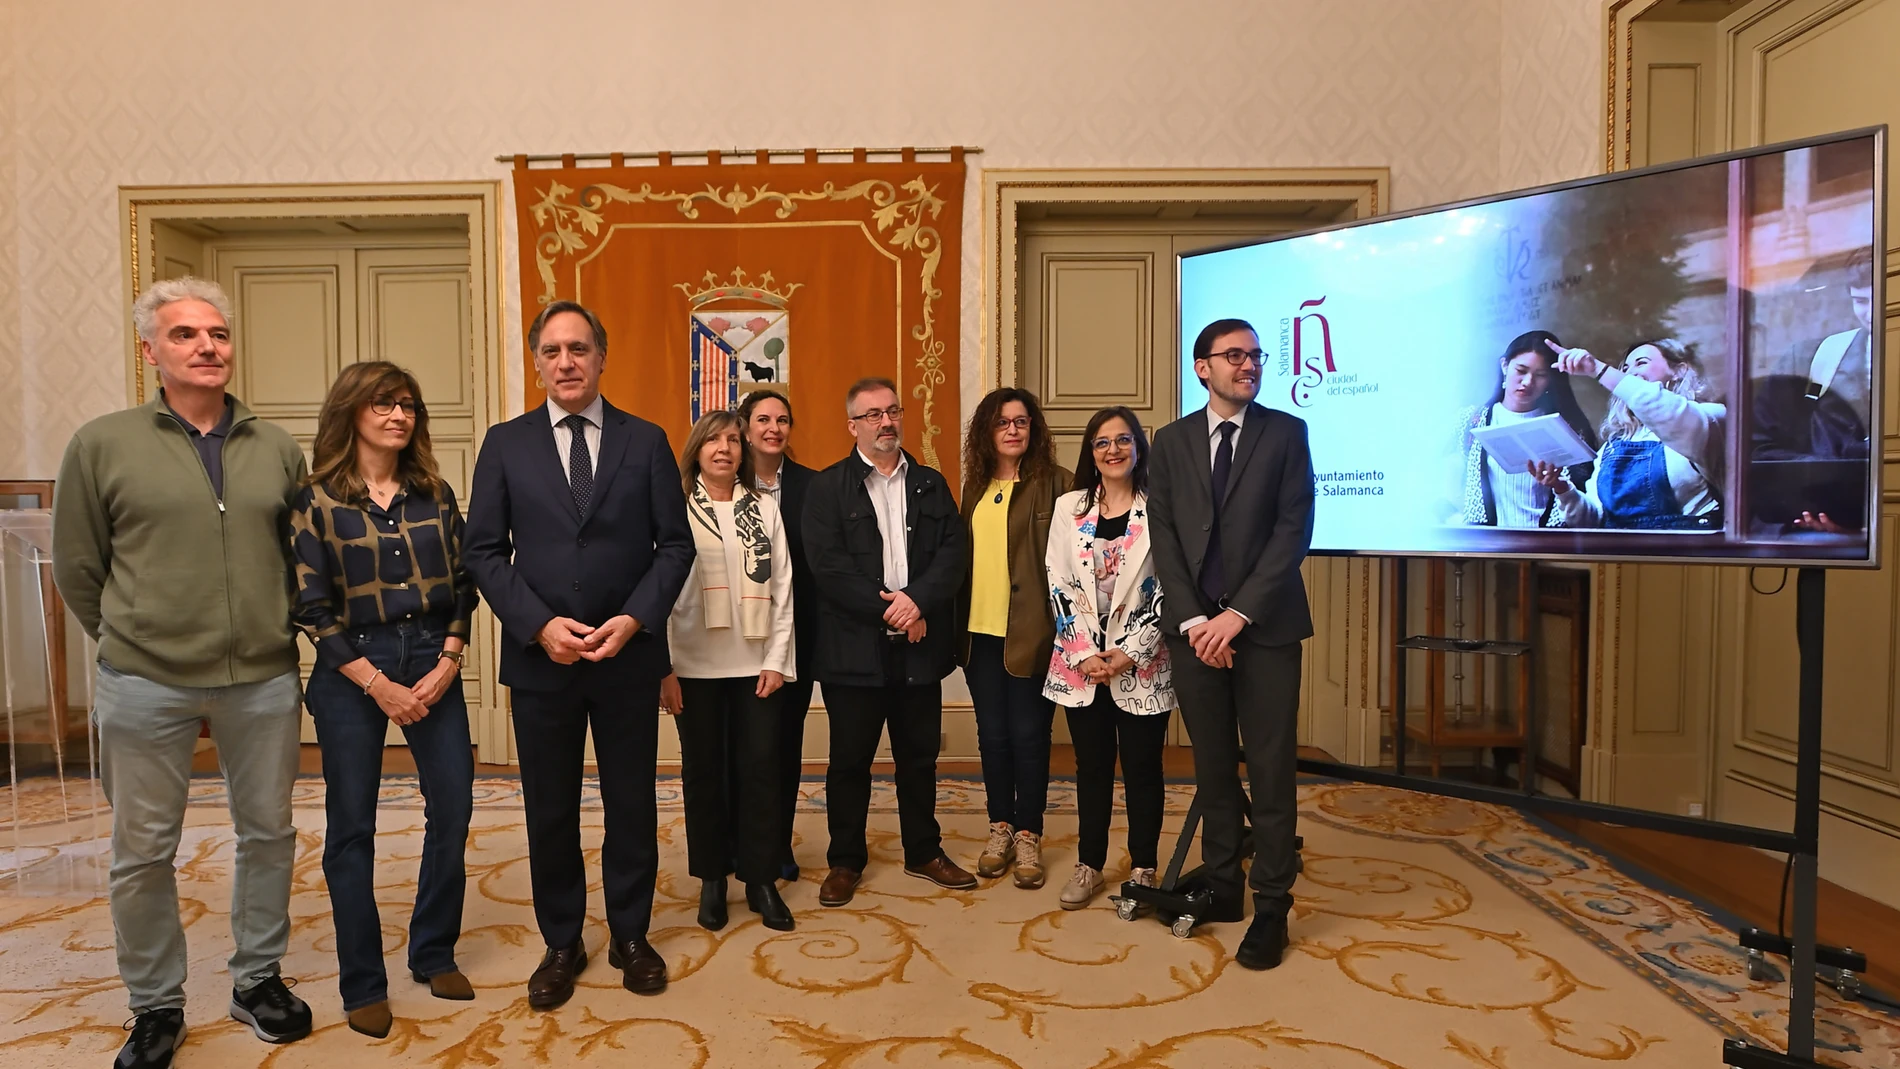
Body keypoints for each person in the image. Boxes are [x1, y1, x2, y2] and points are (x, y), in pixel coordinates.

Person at [52, 277, 313, 1069]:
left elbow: (297, 559)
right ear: (150, 351)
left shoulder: (276, 446)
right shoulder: (102, 443)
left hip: (263, 676)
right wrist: (133, 639)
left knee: (268, 832)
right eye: (185, 335)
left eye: (218, 334)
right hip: (144, 681)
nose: (206, 347)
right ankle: (156, 1004)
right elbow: (77, 565)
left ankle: (257, 978)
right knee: (143, 849)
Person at [463, 300, 694, 1006]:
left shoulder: (646, 439)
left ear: (601, 357)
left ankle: (631, 933)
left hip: (627, 657)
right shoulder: (505, 443)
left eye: (580, 348)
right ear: (536, 360)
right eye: (554, 350)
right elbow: (482, 550)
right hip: (544, 664)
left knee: (631, 801)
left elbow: (675, 545)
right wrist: (538, 625)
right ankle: (562, 939)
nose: (567, 361)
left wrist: (634, 619)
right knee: (550, 807)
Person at [289, 362, 479, 1038]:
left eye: (408, 404)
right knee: (352, 827)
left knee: (454, 805)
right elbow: (310, 607)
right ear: (351, 410)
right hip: (350, 670)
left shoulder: (434, 490)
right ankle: (363, 981)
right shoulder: (315, 499)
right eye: (383, 402)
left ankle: (433, 951)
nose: (399, 414)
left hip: (433, 656)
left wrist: (450, 657)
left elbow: (464, 582)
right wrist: (376, 682)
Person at [1148, 318, 1315, 971]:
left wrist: (1237, 615)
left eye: (1255, 355)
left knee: (1270, 770)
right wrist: (1194, 621)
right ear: (1203, 367)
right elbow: (1163, 533)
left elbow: (1291, 531)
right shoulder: (1172, 440)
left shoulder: (1287, 433)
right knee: (1213, 766)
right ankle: (1224, 882)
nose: (1249, 364)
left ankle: (1271, 904)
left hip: (1266, 630)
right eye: (1234, 355)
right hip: (1194, 636)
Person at [803, 376, 976, 907]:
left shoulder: (929, 483)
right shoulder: (827, 488)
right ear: (852, 425)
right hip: (852, 651)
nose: (886, 421)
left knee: (919, 758)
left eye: (893, 411)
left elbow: (954, 552)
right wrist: (896, 611)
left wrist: (917, 602)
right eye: (873, 414)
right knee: (849, 761)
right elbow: (828, 569)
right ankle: (845, 860)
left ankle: (923, 851)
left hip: (919, 649)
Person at [659, 410, 797, 933]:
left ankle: (760, 879)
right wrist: (663, 669)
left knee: (761, 772)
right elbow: (658, 595)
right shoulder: (671, 509)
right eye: (713, 439)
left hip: (755, 664)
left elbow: (783, 588)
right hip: (692, 666)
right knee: (704, 775)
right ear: (696, 448)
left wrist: (776, 661)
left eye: (734, 440)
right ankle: (713, 879)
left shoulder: (764, 508)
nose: (725, 448)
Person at [1042, 406, 1174, 910]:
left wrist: (1127, 653)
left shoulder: (1160, 506)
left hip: (1142, 662)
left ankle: (1143, 865)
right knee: (1090, 767)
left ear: (1138, 448)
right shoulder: (1068, 507)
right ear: (1091, 453)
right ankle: (1090, 863)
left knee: (1144, 769)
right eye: (1102, 442)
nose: (1113, 450)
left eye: (1123, 440)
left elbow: (1168, 588)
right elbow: (1058, 580)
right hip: (1081, 666)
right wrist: (1083, 654)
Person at [956, 388, 1069, 889]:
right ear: (987, 431)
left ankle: (1029, 833)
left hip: (1033, 635)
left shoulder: (1059, 486)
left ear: (1035, 429)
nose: (1013, 430)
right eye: (1002, 422)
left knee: (1029, 737)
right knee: (992, 737)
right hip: (979, 634)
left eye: (1022, 422)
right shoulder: (973, 488)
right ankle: (999, 826)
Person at [738, 388, 818, 882]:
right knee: (743, 749)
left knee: (784, 746)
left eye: (782, 419)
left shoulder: (814, 485)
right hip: (736, 640)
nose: (774, 428)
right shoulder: (723, 482)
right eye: (763, 419)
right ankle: (734, 843)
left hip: (796, 635)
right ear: (744, 427)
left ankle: (776, 843)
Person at [1532, 339, 1725, 530]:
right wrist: (1562, 488)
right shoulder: (1614, 445)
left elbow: (1660, 407)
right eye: (1624, 369)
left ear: (1679, 371)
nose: (1630, 372)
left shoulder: (1709, 419)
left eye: (1641, 363)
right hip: (1618, 557)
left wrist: (1597, 369)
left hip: (1685, 557)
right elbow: (1591, 520)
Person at [1751, 246, 1877, 532]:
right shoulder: (1811, 358)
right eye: (1860, 301)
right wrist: (1815, 486)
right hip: (1813, 525)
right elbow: (1759, 449)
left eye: (1884, 299)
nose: (1871, 313)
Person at [1454, 330, 1600, 528]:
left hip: (1549, 544)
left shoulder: (1569, 428)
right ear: (1505, 365)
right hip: (1487, 545)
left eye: (1540, 375)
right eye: (1521, 371)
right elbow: (1448, 480)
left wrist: (1559, 485)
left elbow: (1587, 506)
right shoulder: (1473, 420)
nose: (1527, 382)